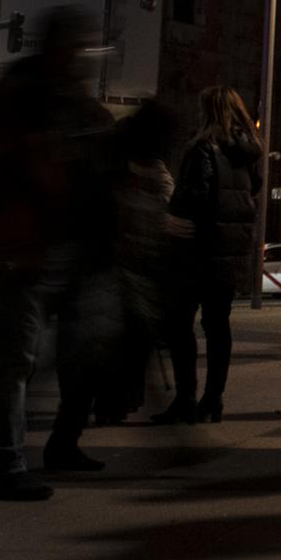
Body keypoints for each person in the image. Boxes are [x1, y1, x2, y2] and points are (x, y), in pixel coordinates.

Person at [0, 7, 119, 496]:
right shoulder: (24, 93)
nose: (83, 56)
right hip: (20, 248)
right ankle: (5, 465)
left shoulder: (67, 98)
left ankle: (56, 443)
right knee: (16, 359)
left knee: (71, 350)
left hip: (63, 248)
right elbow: (12, 170)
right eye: (77, 45)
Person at [155, 86, 260, 424]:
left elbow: (194, 193)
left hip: (197, 250)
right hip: (230, 250)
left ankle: (185, 398)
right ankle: (213, 398)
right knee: (217, 325)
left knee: (179, 323)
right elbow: (251, 191)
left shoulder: (202, 147)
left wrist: (174, 217)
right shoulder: (247, 151)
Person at [103, 100, 177, 424]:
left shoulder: (132, 170)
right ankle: (117, 400)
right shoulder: (140, 172)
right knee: (130, 341)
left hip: (133, 265)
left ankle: (116, 400)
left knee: (128, 342)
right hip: (131, 266)